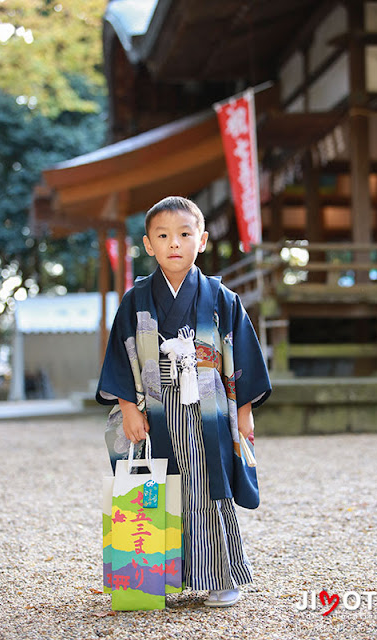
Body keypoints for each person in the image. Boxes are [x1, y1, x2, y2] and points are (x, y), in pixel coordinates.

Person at [96, 196, 271, 607]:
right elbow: (121, 356)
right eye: (163, 235)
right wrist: (127, 408)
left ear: (203, 240)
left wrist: (243, 412)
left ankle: (220, 576)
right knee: (156, 485)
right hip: (155, 409)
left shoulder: (221, 297)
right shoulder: (135, 299)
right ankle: (151, 579)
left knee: (212, 485)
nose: (174, 243)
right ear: (148, 244)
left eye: (185, 234)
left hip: (208, 408)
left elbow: (241, 355)